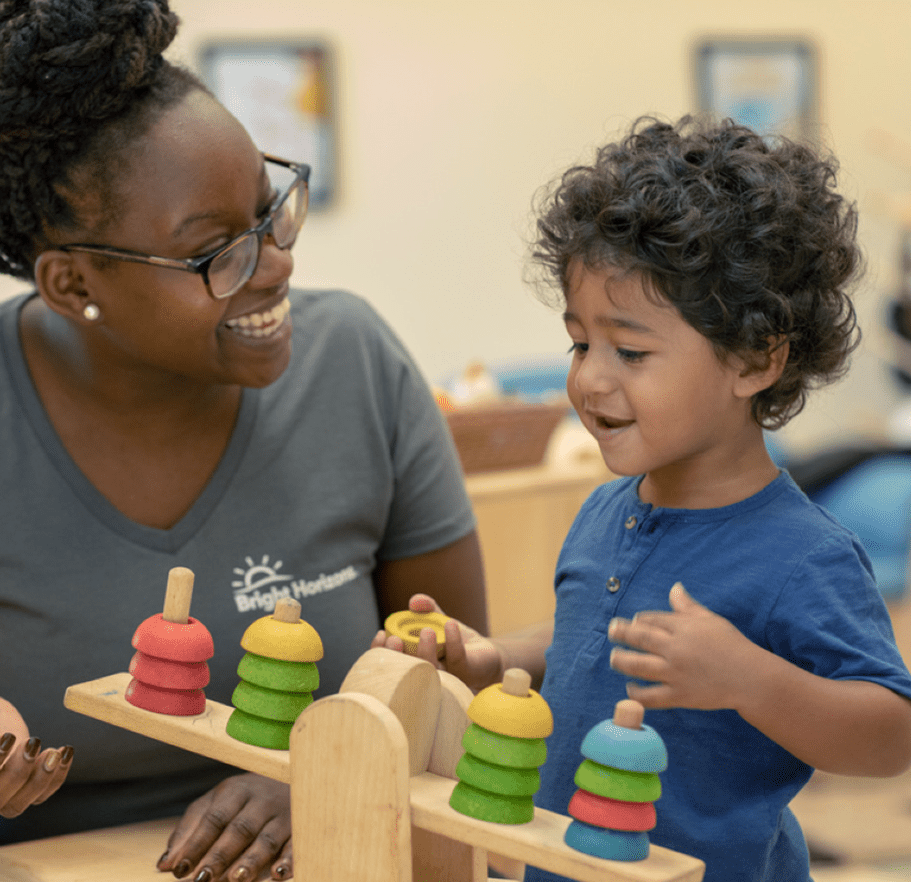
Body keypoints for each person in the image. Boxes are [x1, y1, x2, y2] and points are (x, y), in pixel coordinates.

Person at [0, 2, 488, 880]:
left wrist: (333, 779)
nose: (278, 264)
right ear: (71, 282)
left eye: (270, 208)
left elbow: (460, 671)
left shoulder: (354, 364)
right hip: (9, 857)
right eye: (217, 250)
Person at [378, 116, 911, 882]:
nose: (592, 378)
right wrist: (494, 659)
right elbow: (590, 643)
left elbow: (890, 735)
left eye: (630, 351)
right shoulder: (606, 510)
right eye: (579, 343)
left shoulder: (804, 557)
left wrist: (750, 680)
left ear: (756, 359)